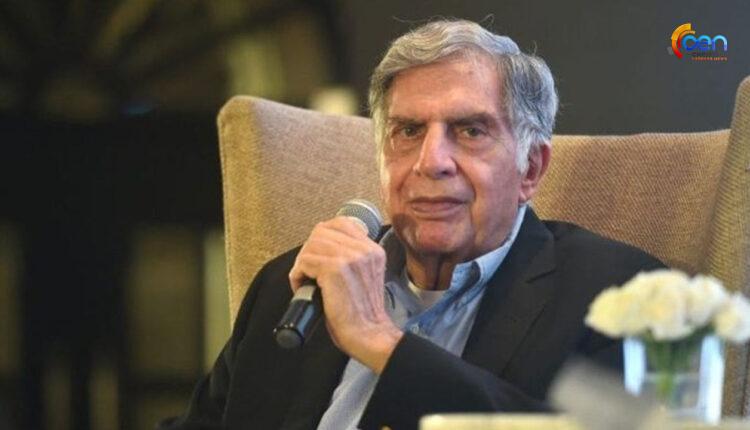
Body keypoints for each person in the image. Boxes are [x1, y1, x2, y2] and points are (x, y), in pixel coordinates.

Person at [160, 19, 663, 430]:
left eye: (470, 130)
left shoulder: (620, 298)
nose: (431, 161)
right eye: (408, 130)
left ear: (530, 169)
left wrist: (378, 340)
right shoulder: (294, 288)